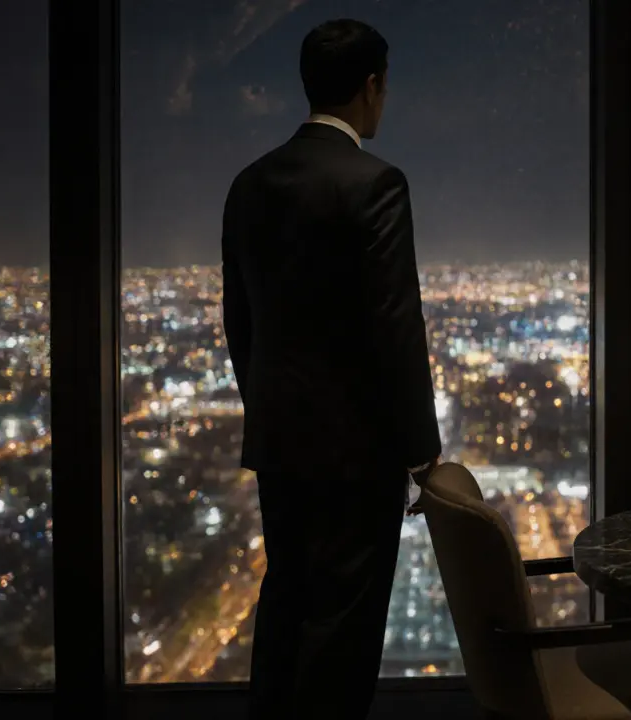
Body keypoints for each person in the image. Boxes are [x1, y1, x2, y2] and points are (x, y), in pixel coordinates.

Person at [220, 19, 442, 719]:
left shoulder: (250, 183)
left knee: (284, 609)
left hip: (281, 450)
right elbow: (395, 327)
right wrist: (421, 452)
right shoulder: (376, 183)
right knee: (341, 638)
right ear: (372, 86)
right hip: (357, 460)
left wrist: (270, 417)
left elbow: (241, 324)